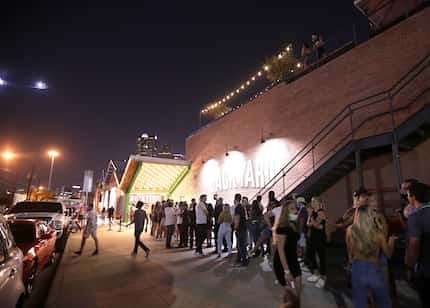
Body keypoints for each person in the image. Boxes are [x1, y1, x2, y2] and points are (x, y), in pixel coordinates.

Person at [346, 205, 397, 308]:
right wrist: (391, 241)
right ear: (370, 216)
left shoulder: (350, 230)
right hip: (374, 269)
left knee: (360, 304)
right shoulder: (378, 233)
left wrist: (352, 261)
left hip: (358, 269)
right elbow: (388, 254)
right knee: (384, 303)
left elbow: (350, 253)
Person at [405, 181, 430, 307]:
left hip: (425, 271)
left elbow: (414, 245)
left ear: (413, 197)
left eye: (408, 195)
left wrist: (409, 267)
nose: (407, 198)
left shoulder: (415, 217)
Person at [272, 198, 302, 299]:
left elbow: (292, 241)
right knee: (291, 293)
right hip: (282, 262)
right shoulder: (282, 228)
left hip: (293, 258)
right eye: (292, 209)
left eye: (295, 209)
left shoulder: (293, 224)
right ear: (286, 212)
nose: (295, 211)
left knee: (298, 288)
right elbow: (280, 250)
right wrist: (287, 271)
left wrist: (296, 248)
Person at [306, 196, 328, 288]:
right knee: (310, 254)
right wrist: (313, 223)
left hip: (320, 238)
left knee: (321, 257)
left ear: (319, 203)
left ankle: (323, 277)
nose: (312, 203)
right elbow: (308, 224)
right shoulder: (313, 213)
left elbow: (315, 224)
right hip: (313, 237)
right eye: (312, 201)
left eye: (314, 201)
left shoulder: (321, 212)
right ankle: (316, 273)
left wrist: (311, 217)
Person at [234, 193, 249, 266]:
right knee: (242, 244)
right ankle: (241, 258)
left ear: (235, 199)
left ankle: (244, 261)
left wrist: (235, 227)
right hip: (244, 227)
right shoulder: (242, 207)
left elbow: (237, 218)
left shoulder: (237, 208)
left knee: (241, 245)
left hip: (240, 228)